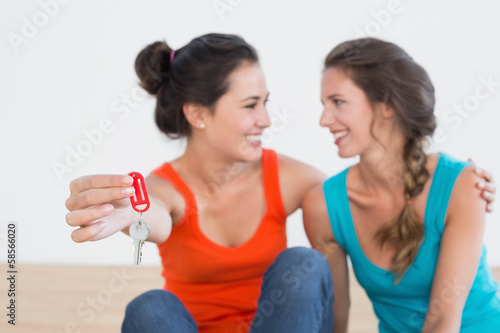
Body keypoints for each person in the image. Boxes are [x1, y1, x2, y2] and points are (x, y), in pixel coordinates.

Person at [65, 33, 334, 333]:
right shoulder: (166, 188)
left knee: (303, 264)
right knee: (150, 307)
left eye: (264, 103)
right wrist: (130, 212)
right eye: (250, 105)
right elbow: (154, 212)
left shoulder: (287, 176)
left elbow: (348, 201)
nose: (266, 120)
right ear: (197, 114)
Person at [303, 37, 500, 333]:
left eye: (338, 102)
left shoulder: (461, 186)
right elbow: (335, 319)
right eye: (323, 104)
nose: (323, 119)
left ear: (387, 106)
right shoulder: (323, 206)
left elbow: (442, 321)